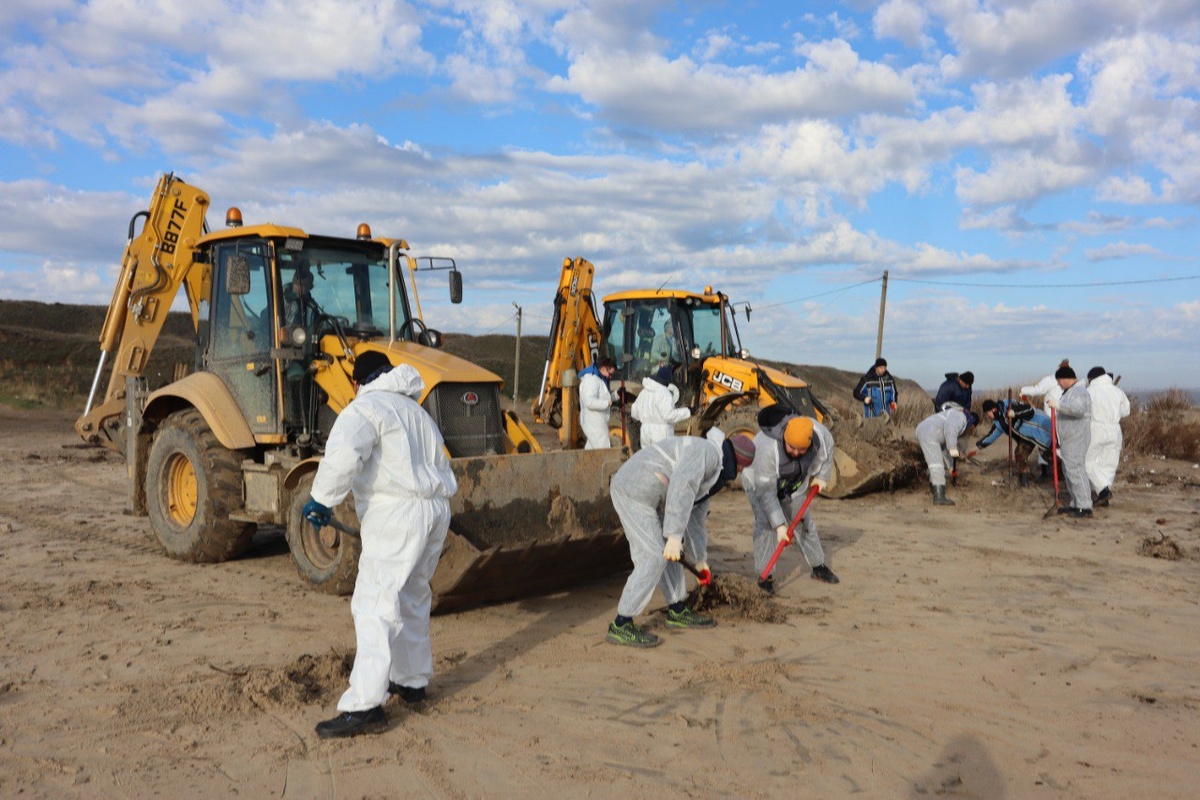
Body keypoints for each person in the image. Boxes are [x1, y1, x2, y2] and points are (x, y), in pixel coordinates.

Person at [302, 351, 458, 738]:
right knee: (412, 596)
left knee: (374, 602)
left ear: (358, 382)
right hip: (436, 510)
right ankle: (411, 680)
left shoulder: (366, 407)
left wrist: (321, 499)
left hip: (398, 514)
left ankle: (366, 705)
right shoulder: (417, 413)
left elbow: (344, 454)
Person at [606, 430, 756, 648]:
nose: (742, 472)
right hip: (633, 490)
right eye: (744, 468)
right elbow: (682, 485)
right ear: (740, 463)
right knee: (654, 557)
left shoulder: (716, 474)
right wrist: (675, 535)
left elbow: (696, 518)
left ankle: (677, 610)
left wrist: (699, 559)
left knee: (672, 552)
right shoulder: (707, 454)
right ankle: (621, 623)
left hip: (654, 497)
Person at [742, 409, 840, 594]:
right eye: (791, 447)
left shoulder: (818, 433)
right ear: (784, 438)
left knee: (802, 520)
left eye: (801, 449)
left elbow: (828, 449)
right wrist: (779, 525)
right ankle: (765, 577)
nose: (796, 452)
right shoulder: (767, 449)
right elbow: (766, 493)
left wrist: (822, 476)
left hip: (793, 482)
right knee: (766, 525)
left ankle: (818, 566)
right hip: (758, 482)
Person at [1046, 365, 1092, 518]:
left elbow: (1078, 410)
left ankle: (1085, 506)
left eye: (1059, 380)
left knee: (1076, 471)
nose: (1058, 384)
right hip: (1069, 439)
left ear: (1067, 378)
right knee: (1069, 471)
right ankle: (1076, 503)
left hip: (1076, 438)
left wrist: (1058, 405)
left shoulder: (1079, 392)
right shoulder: (1070, 392)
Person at [976, 399, 1052, 486]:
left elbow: (1029, 410)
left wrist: (1014, 412)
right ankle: (1024, 483)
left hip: (1043, 426)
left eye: (987, 413)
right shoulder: (999, 423)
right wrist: (977, 447)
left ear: (993, 410)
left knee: (1048, 453)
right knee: (1020, 453)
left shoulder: (1010, 404)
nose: (987, 416)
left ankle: (1050, 475)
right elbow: (990, 437)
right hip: (1028, 436)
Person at [915, 403, 978, 506]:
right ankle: (939, 496)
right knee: (936, 464)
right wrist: (953, 448)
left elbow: (944, 449)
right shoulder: (961, 416)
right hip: (931, 433)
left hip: (925, 430)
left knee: (934, 461)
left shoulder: (955, 415)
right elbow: (951, 431)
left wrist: (951, 467)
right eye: (972, 428)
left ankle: (934, 486)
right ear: (973, 424)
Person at [1085, 366, 1130, 507]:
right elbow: (1125, 412)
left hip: (1096, 429)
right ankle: (1103, 494)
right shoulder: (1118, 391)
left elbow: (1082, 412)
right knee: (1109, 464)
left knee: (1087, 462)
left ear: (1091, 378)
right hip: (1115, 430)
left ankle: (1103, 492)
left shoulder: (1089, 392)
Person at [1021, 359, 1071, 479]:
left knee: (1045, 445)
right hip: (1062, 419)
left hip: (1051, 419)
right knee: (1058, 446)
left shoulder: (1051, 380)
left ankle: (1048, 472)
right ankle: (1058, 472)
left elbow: (1038, 389)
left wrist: (1023, 390)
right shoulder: (1067, 382)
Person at [630, 365, 690, 449]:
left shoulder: (644, 391)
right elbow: (669, 416)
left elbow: (634, 411)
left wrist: (647, 419)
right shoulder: (664, 393)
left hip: (645, 432)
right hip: (660, 433)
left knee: (648, 458)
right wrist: (688, 411)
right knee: (663, 459)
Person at [578, 357, 617, 449]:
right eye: (610, 374)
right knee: (602, 451)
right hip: (594, 422)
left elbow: (602, 398)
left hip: (597, 421)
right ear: (603, 368)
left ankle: (585, 463)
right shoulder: (592, 380)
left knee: (591, 450)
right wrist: (606, 403)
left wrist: (616, 395)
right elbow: (589, 402)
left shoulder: (598, 379)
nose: (610, 377)